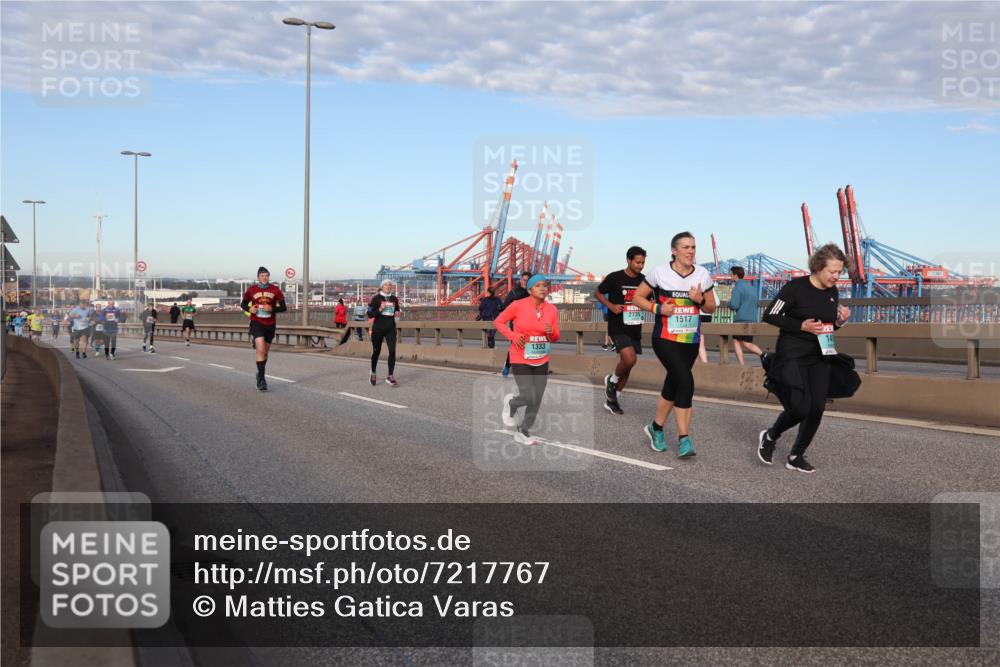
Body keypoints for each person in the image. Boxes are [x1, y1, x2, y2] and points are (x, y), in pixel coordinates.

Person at [757, 244, 858, 473]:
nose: (836, 277)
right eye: (832, 271)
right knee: (800, 408)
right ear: (818, 267)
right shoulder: (795, 288)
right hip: (793, 355)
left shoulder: (832, 292)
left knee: (816, 409)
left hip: (821, 356)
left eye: (839, 272)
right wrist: (799, 325)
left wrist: (840, 322)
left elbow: (826, 327)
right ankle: (771, 435)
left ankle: (796, 455)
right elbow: (770, 314)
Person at [632, 232, 716, 458]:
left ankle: (655, 428)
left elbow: (711, 307)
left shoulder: (702, 273)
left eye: (694, 247)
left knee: (673, 383)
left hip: (690, 340)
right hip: (665, 339)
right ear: (674, 250)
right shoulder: (659, 272)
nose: (691, 251)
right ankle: (684, 439)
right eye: (686, 247)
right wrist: (658, 309)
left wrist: (699, 300)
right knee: (686, 382)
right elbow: (637, 297)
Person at [494, 275, 560, 445]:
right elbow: (499, 322)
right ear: (530, 290)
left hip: (541, 358)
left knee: (537, 397)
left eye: (545, 285)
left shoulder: (552, 310)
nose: (543, 288)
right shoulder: (518, 305)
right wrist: (513, 335)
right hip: (520, 357)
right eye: (538, 286)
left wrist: (551, 331)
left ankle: (523, 431)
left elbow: (556, 336)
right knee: (529, 395)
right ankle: (512, 403)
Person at [595, 246, 647, 415]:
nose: (640, 266)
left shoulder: (644, 280)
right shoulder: (615, 277)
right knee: (630, 359)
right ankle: (612, 379)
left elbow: (650, 299)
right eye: (637, 262)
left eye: (643, 262)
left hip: (635, 327)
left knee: (628, 366)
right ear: (629, 260)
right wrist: (610, 306)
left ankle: (612, 399)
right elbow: (598, 293)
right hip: (617, 326)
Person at [240, 267, 287, 391]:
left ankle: (259, 375)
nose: (264, 278)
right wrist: (249, 309)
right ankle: (262, 380)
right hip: (257, 322)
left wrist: (272, 309)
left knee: (265, 353)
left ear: (269, 276)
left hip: (270, 324)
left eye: (266, 275)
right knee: (260, 350)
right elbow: (243, 304)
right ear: (258, 277)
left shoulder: (275, 290)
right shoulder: (251, 290)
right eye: (262, 276)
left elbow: (283, 308)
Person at [368, 279, 401, 386]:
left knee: (392, 351)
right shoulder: (376, 298)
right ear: (382, 287)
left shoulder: (394, 298)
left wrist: (397, 314)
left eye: (390, 285)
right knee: (376, 352)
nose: (388, 286)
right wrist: (380, 309)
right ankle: (373, 372)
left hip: (390, 328)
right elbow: (369, 314)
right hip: (378, 329)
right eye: (386, 285)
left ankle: (390, 376)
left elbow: (397, 310)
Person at [728, 266, 764, 365]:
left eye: (731, 274)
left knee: (736, 341)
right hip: (752, 319)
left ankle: (742, 365)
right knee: (747, 343)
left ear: (735, 275)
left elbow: (734, 305)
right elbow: (757, 303)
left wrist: (729, 304)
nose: (730, 276)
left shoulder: (737, 287)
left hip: (740, 319)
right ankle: (763, 355)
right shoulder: (752, 288)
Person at [500, 271, 531, 377]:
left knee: (529, 345)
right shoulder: (514, 292)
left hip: (530, 323)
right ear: (520, 280)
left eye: (527, 280)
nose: (525, 282)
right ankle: (508, 365)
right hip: (517, 322)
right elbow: (505, 306)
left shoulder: (533, 292)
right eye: (524, 280)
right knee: (516, 344)